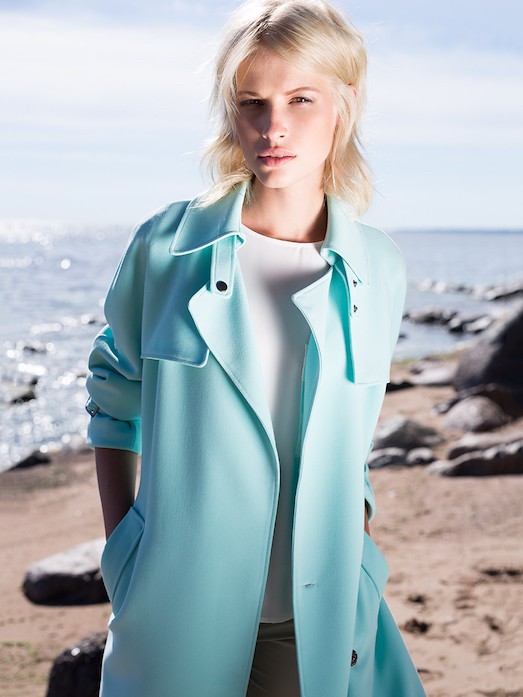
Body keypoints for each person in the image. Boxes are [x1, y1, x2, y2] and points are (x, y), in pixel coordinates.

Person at [86, 1, 427, 695]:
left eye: (301, 99)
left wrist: (359, 543)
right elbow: (114, 401)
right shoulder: (165, 248)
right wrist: (126, 551)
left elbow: (351, 433)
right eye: (253, 103)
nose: (274, 128)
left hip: (315, 613)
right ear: (231, 111)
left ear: (343, 104)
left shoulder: (379, 267)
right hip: (178, 605)